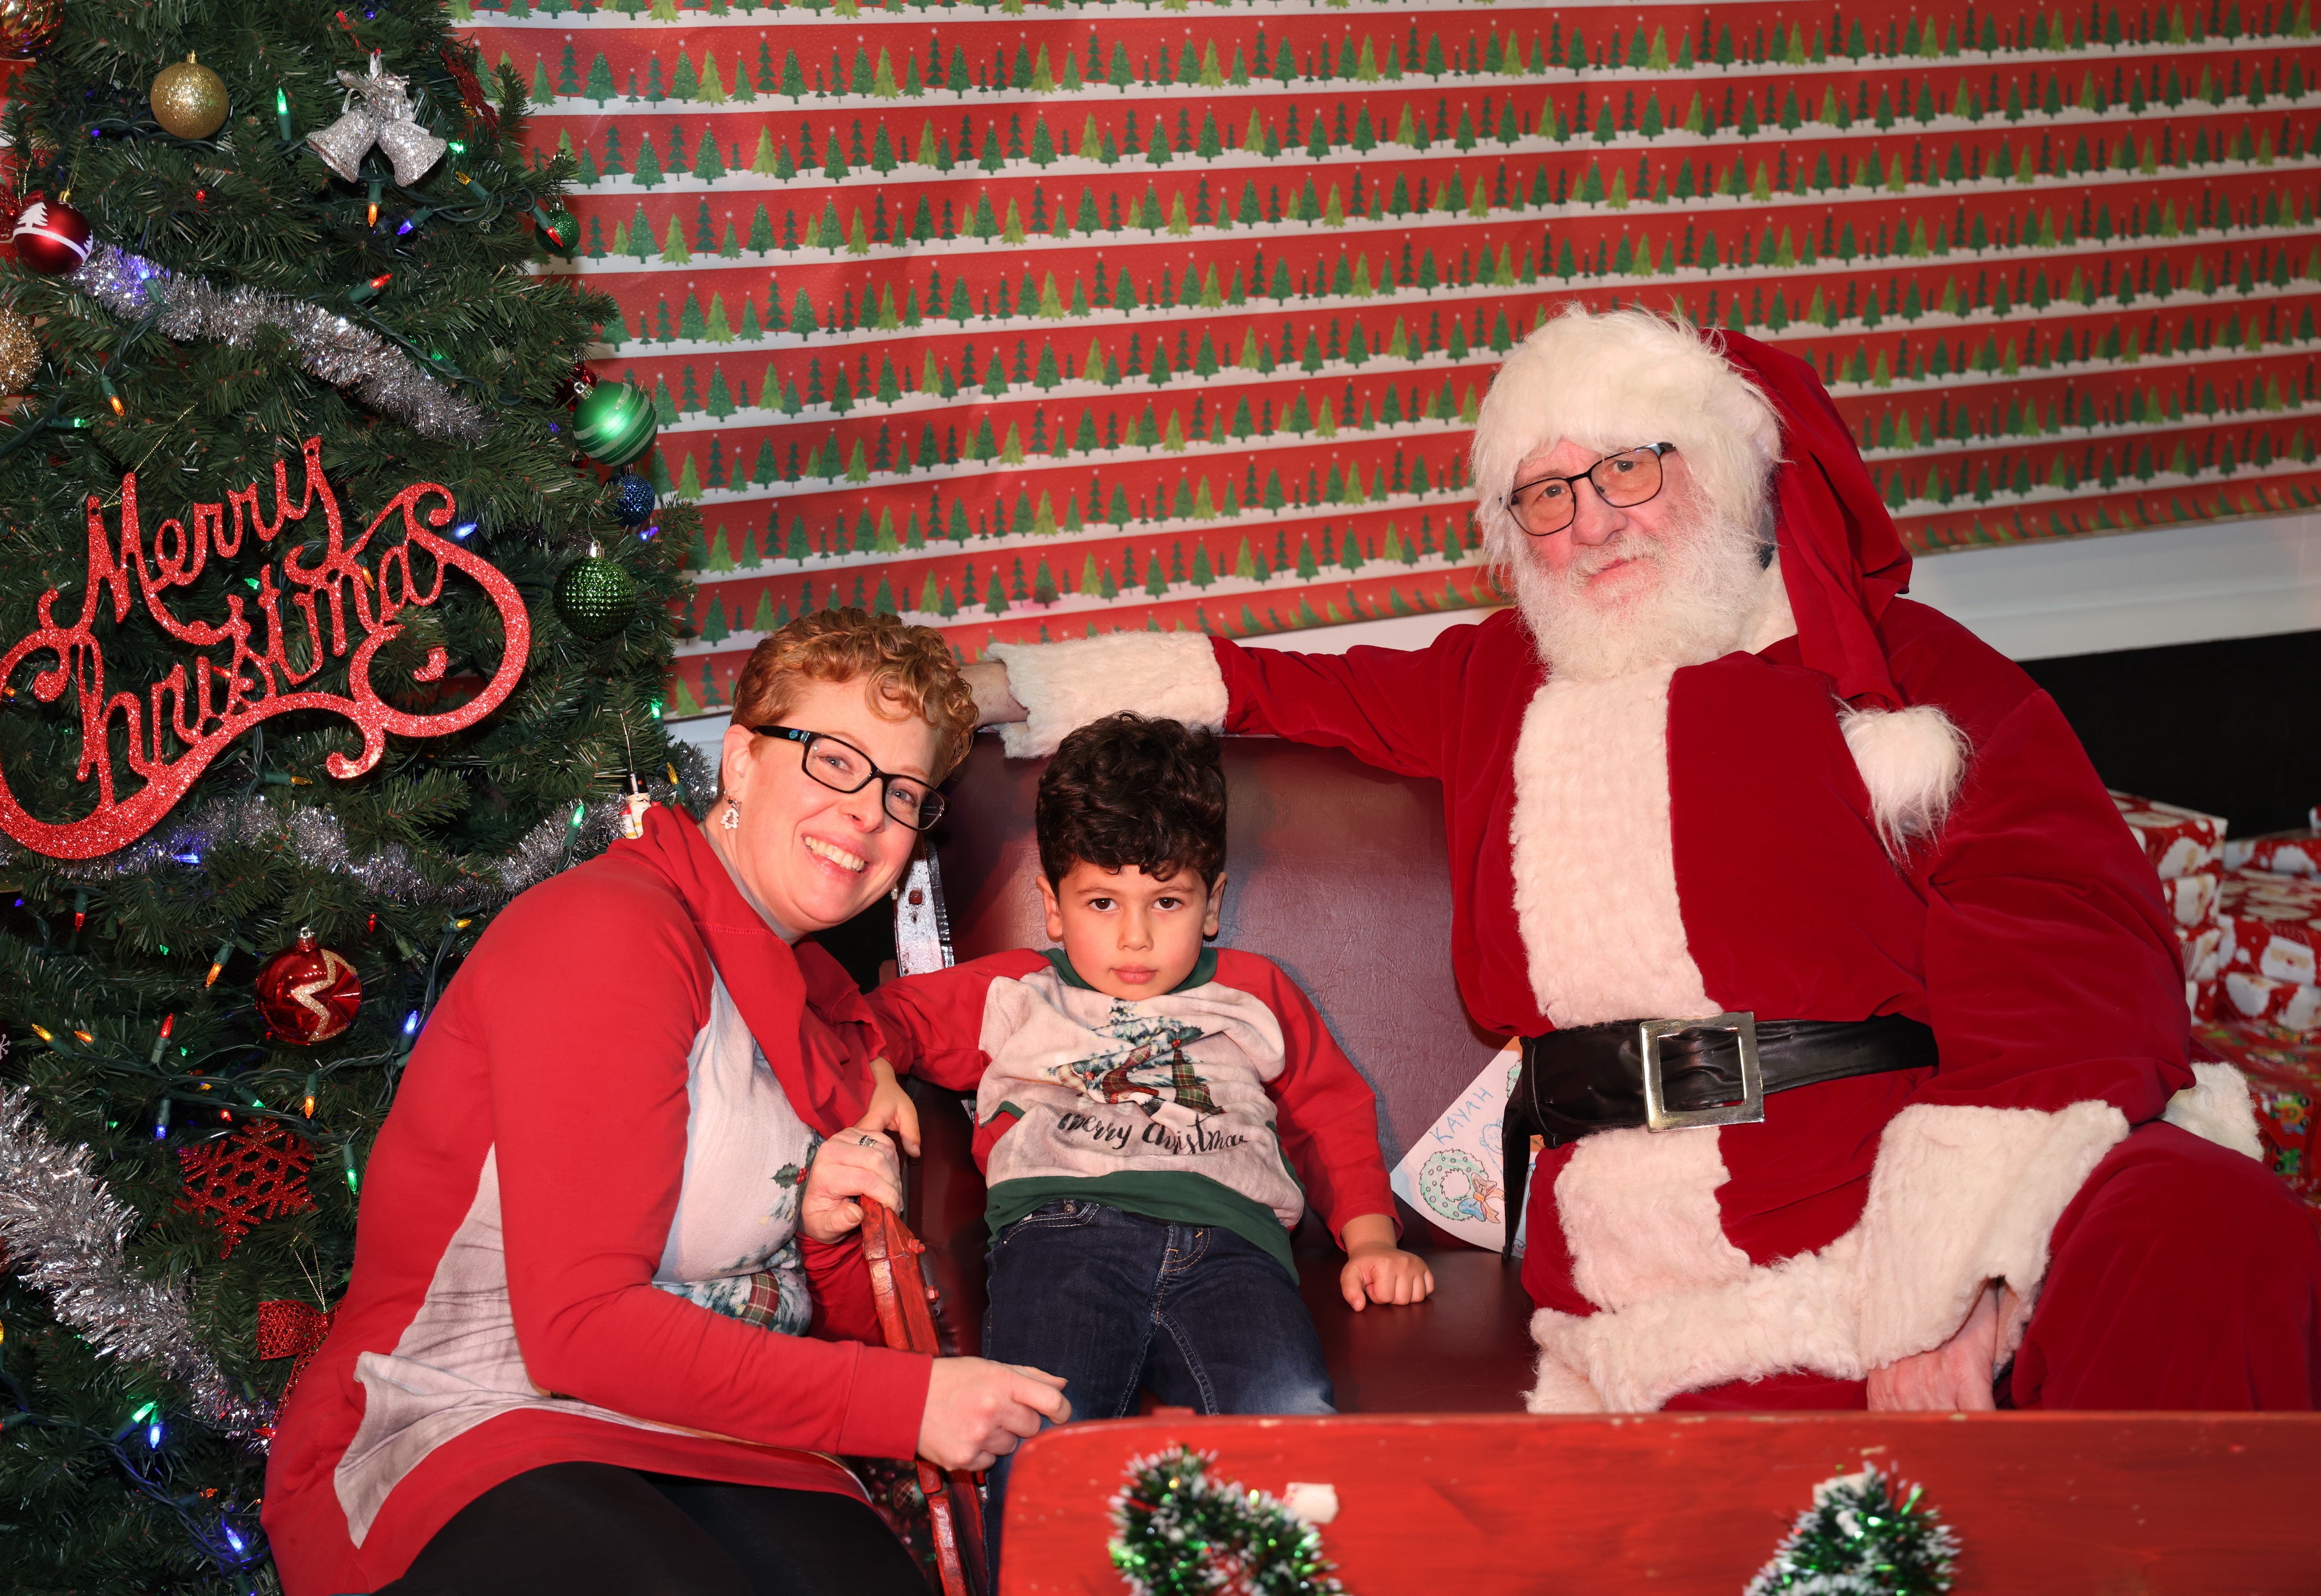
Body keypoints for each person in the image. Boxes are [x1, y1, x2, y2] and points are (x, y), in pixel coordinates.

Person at [962, 307, 2321, 1414]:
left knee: (2210, 1234)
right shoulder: (1492, 680)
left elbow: (2064, 935)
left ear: (1717, 468)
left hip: (1910, 1174)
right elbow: (1252, 682)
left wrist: (1967, 1271)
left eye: (1628, 467)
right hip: (1652, 1234)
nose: (1593, 520)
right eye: (1547, 493)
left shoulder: (1897, 670)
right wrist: (985, 691)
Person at [264, 611, 1071, 1596]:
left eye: (902, 792)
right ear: (741, 762)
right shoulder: (610, 933)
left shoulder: (814, 1009)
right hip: (470, 1415)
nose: (868, 814)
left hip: (727, 1440)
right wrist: (907, 1404)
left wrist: (824, 1231)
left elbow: (846, 1318)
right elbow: (580, 1329)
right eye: (835, 761)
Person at [866, 712, 1432, 1558]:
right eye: (1102, 903)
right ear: (1052, 907)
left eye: (1167, 902)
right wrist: (877, 1070)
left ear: (1213, 904)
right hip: (1062, 1240)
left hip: (1234, 1252)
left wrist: (1371, 1238)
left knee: (1293, 1427)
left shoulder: (1255, 992)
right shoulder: (1016, 991)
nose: (1135, 938)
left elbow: (1329, 1110)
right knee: (1040, 1452)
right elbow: (883, 1017)